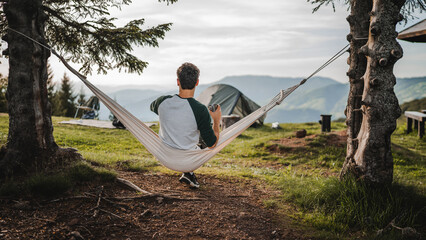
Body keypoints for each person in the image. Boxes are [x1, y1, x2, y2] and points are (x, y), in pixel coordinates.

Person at [150, 62, 221, 188]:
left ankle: (189, 174)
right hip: (188, 160)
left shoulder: (162, 102)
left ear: (178, 81)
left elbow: (152, 107)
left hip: (165, 155)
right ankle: (189, 171)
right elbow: (212, 144)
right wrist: (216, 120)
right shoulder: (200, 110)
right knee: (203, 137)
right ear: (197, 82)